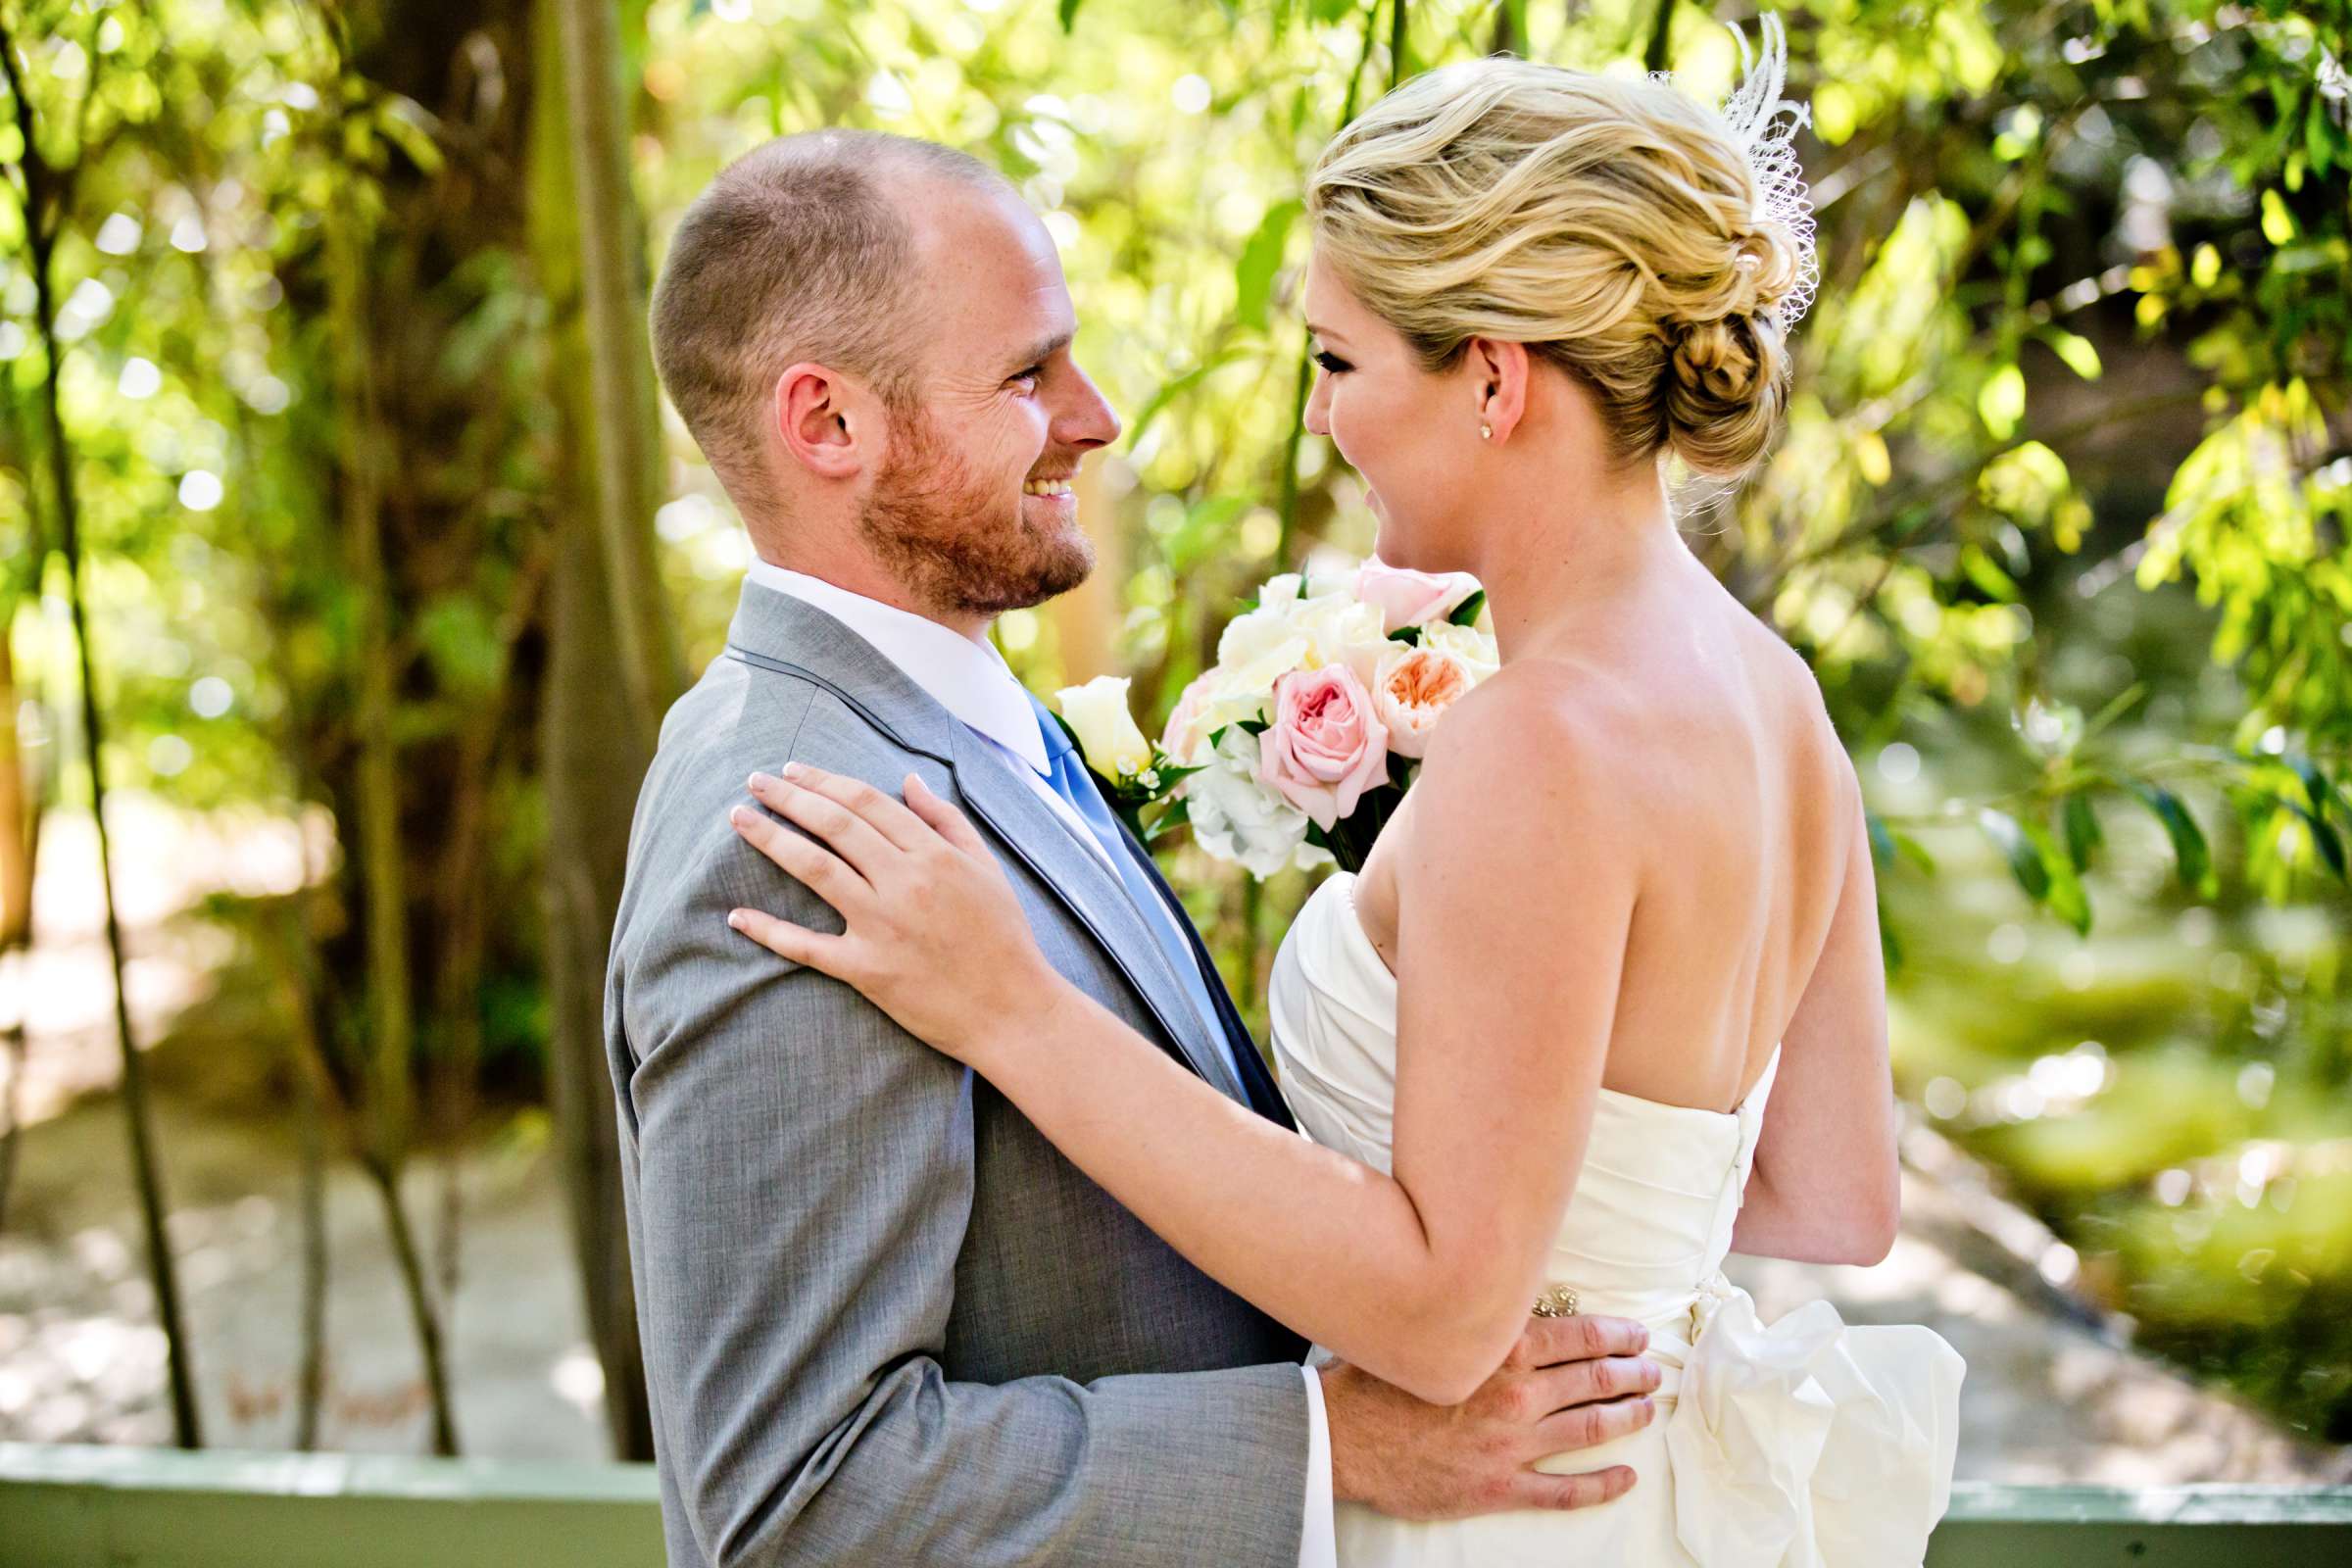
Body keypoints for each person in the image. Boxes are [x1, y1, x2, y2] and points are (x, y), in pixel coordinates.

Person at [720, 23, 1966, 1568]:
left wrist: (1015, 1012)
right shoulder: (1777, 697)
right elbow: (1835, 1194)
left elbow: (1445, 1323)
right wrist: (1605, 1268)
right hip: (1649, 1488)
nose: (1322, 419)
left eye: (1338, 363)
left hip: (1494, 1521)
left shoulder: (1541, 742)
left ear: (1495, 381)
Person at [607, 125, 1665, 1567]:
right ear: (828, 424)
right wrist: (1328, 1443)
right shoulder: (796, 827)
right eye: (1027, 373)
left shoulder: (969, 715)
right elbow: (795, 1507)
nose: (1097, 417)